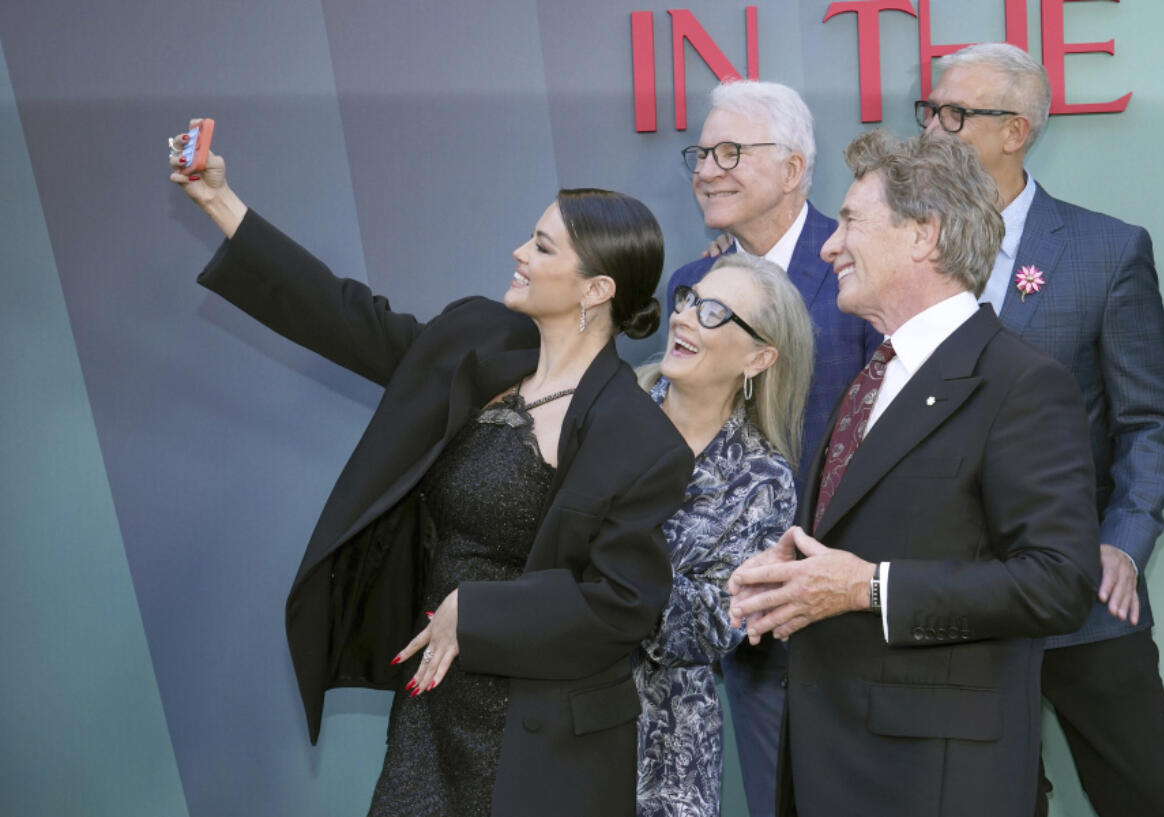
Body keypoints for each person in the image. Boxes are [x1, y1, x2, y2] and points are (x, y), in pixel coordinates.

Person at [167, 126, 694, 817]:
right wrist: (221, 202)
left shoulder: (640, 437)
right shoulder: (476, 339)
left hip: (544, 736)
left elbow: (623, 604)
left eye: (541, 246)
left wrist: (475, 610)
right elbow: (346, 316)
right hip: (435, 706)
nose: (518, 253)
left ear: (596, 287)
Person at [727, 129, 1102, 817]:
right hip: (830, 763)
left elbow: (1059, 581)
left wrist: (867, 586)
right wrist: (791, 576)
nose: (829, 246)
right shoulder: (871, 379)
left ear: (924, 234)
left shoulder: (1020, 384)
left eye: (848, 223)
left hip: (933, 780)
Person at [919, 43, 1164, 817]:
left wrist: (1124, 543)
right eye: (931, 111)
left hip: (1085, 595)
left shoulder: (1107, 251)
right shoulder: (908, 250)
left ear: (1018, 130)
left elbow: (1148, 423)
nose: (936, 130)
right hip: (957, 599)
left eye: (957, 114)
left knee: (1142, 795)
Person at [669, 80, 881, 813]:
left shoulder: (858, 261)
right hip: (744, 614)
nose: (707, 168)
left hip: (848, 604)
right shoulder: (691, 284)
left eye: (731, 151)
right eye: (701, 152)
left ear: (793, 168)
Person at [632, 254, 813, 817]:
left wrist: (611, 537)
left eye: (714, 313)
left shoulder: (762, 479)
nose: (684, 317)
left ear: (759, 357)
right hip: (543, 712)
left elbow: (702, 633)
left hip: (662, 752)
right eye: (688, 299)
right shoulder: (608, 414)